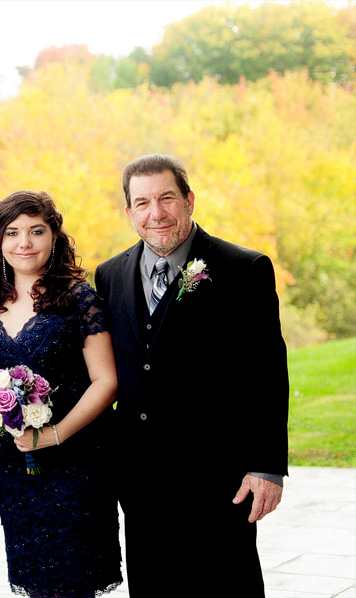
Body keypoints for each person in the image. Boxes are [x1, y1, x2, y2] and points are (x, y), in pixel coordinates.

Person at [94, 154, 289, 597]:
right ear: (129, 213)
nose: (156, 213)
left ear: (189, 200)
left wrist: (267, 466)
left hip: (217, 478)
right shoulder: (109, 275)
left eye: (167, 198)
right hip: (140, 481)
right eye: (142, 203)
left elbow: (267, 373)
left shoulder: (243, 269)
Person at [0, 190, 123, 597]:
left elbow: (106, 381)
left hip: (76, 461)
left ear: (54, 237)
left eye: (36, 231)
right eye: (13, 232)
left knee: (73, 583)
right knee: (36, 582)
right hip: (14, 465)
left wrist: (55, 433)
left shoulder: (80, 300)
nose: (24, 242)